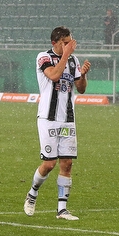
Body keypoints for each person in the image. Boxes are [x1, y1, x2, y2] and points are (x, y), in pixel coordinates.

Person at [23, 27, 91, 220]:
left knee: (67, 163)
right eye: (66, 42)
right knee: (49, 164)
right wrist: (66, 55)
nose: (70, 45)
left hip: (68, 119)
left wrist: (83, 75)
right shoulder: (43, 57)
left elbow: (81, 88)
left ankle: (62, 209)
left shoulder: (73, 60)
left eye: (71, 41)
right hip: (48, 118)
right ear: (55, 42)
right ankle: (32, 193)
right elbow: (53, 76)